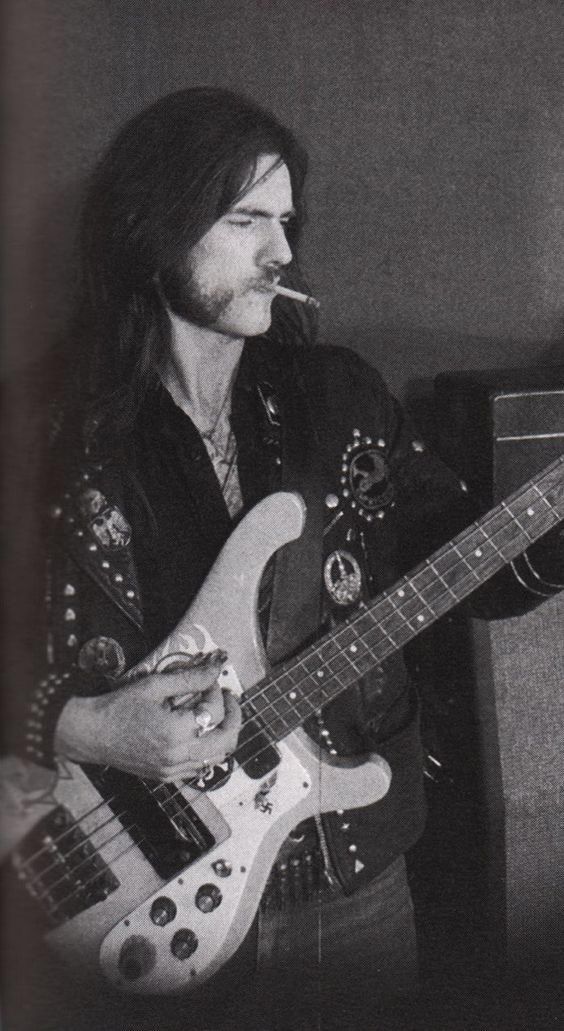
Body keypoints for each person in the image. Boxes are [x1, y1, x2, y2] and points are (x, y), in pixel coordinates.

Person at [3, 87, 564, 1031]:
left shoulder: (336, 397)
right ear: (155, 227)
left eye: (287, 222)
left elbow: (468, 569)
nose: (283, 254)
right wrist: (87, 728)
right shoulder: (40, 434)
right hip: (123, 898)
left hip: (352, 883)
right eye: (246, 220)